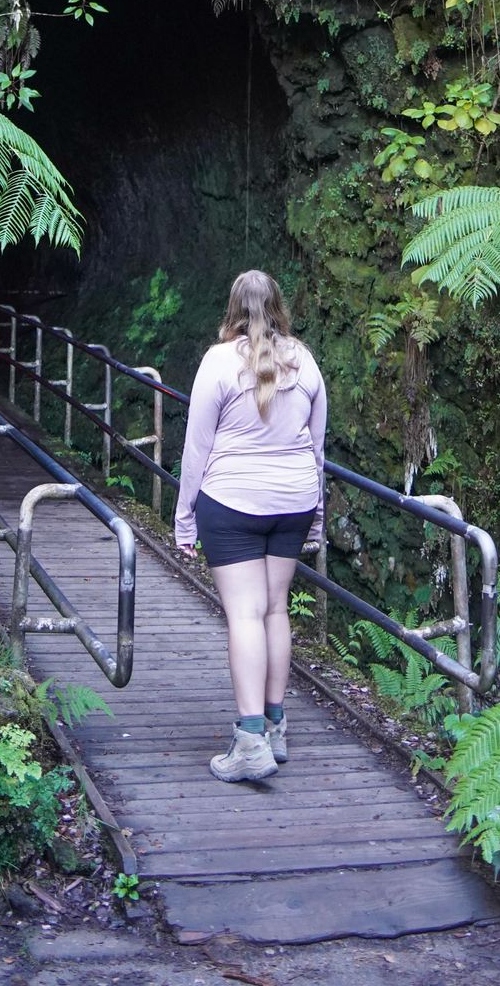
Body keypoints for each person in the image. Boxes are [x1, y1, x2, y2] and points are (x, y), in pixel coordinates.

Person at [175, 269, 326, 784]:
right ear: (279, 307)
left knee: (244, 613)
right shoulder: (304, 361)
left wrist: (183, 519)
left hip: (234, 500)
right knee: (275, 608)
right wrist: (318, 515)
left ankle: (249, 742)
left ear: (232, 308)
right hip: (294, 501)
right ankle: (276, 727)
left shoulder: (218, 362)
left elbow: (197, 448)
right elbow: (317, 447)